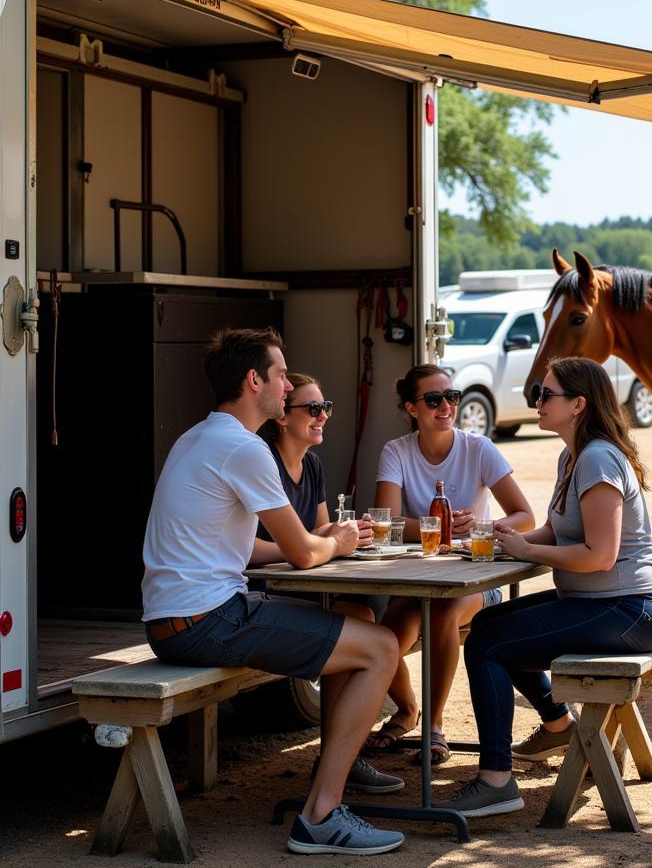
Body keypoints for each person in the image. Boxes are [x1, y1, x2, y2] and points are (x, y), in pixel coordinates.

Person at [141, 327, 404, 855]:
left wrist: (319, 539)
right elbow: (304, 556)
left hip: (177, 620)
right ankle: (321, 816)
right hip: (207, 620)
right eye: (281, 374)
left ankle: (332, 788)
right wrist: (338, 541)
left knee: (364, 634)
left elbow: (250, 548)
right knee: (381, 649)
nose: (287, 385)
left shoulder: (197, 437)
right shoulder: (243, 448)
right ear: (252, 379)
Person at [436, 356, 652, 818]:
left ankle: (496, 779)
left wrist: (529, 552)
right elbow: (558, 530)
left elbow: (598, 555)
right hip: (609, 604)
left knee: (487, 644)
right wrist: (508, 539)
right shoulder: (574, 454)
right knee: (488, 622)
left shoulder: (599, 458)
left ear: (578, 404)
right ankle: (556, 725)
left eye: (546, 395)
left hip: (632, 609)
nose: (537, 401)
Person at [362, 364, 534, 766]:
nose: (447, 406)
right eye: (434, 399)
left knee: (442, 612)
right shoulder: (397, 450)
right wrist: (436, 528)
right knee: (382, 638)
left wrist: (481, 527)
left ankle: (434, 725)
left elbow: (524, 516)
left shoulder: (478, 448)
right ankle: (407, 710)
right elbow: (385, 522)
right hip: (421, 578)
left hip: (474, 579)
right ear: (412, 408)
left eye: (451, 397)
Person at [247, 370, 404, 798]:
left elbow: (318, 531)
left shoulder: (311, 463)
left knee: (360, 613)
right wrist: (317, 545)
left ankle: (340, 757)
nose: (322, 417)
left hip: (299, 582)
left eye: (326, 408)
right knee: (360, 623)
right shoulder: (262, 460)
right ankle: (341, 764)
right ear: (282, 416)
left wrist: (344, 533)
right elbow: (251, 548)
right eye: (312, 409)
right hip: (262, 591)